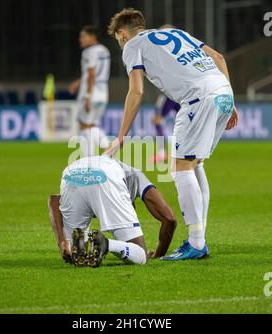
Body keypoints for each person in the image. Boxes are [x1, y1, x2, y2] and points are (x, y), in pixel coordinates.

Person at [105, 8, 239, 260]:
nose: (120, 42)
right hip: (223, 90)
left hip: (198, 97)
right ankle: (198, 237)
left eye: (118, 38)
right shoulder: (175, 32)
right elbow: (219, 58)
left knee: (180, 167)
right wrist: (229, 99)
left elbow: (136, 91)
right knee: (194, 163)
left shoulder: (132, 45)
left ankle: (197, 243)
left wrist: (121, 135)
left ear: (122, 33)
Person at [48, 155, 177, 267]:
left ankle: (72, 245)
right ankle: (106, 244)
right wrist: (157, 255)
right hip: (107, 175)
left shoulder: (116, 168)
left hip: (72, 172)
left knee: (78, 254)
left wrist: (62, 241)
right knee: (140, 255)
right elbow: (169, 219)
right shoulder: (135, 175)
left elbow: (54, 200)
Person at [68, 26, 110, 157]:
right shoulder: (104, 50)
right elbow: (92, 73)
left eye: (83, 36)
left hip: (91, 92)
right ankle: (108, 147)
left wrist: (87, 95)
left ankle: (88, 160)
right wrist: (79, 82)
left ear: (93, 37)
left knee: (84, 126)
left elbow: (92, 74)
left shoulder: (89, 52)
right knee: (92, 125)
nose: (80, 39)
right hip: (103, 92)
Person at [150, 95, 180, 163]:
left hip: (170, 94)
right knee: (185, 120)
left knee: (156, 119)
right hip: (179, 94)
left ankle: (162, 153)